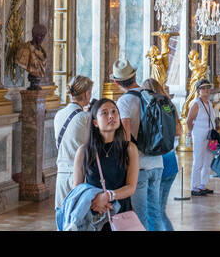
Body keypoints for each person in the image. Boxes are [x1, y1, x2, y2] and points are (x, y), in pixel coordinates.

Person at [69, 99, 139, 230]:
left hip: (120, 214)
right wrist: (96, 201)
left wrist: (108, 196)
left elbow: (131, 187)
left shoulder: (129, 149)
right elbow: (77, 189)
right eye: (105, 113)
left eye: (114, 111)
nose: (111, 116)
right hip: (93, 215)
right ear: (95, 122)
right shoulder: (84, 151)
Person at [112, 58, 163, 231]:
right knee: (155, 212)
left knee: (140, 215)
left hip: (139, 166)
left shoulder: (124, 101)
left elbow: (126, 137)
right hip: (157, 161)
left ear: (117, 82)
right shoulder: (151, 95)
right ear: (135, 76)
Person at [53, 75, 93, 211]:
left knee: (62, 217)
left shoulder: (58, 115)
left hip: (62, 174)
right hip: (80, 174)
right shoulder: (86, 118)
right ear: (87, 94)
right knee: (79, 219)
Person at [146, 78, 181, 231]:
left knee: (155, 211)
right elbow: (178, 131)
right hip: (171, 161)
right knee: (160, 210)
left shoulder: (151, 106)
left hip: (158, 162)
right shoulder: (169, 105)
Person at [186, 78, 216, 196]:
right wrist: (190, 131)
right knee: (198, 159)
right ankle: (195, 186)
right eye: (203, 88)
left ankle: (203, 184)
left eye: (208, 88)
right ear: (198, 90)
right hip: (199, 134)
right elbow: (189, 120)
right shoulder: (196, 103)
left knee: (208, 159)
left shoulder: (210, 103)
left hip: (211, 135)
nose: (206, 90)